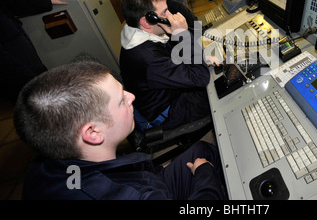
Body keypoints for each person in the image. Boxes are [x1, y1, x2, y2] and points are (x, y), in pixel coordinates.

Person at [14, 60, 226, 200]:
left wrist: (157, 171)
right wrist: (204, 174)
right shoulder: (129, 195)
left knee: (202, 150)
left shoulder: (46, 164)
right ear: (93, 133)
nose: (131, 96)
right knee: (209, 167)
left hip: (146, 179)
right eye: (121, 100)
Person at [120, 0, 216, 131]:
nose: (171, 15)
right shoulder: (146, 57)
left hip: (168, 94)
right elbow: (200, 78)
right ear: (148, 22)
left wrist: (199, 57)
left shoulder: (139, 33)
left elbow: (172, 58)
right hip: (168, 111)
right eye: (165, 12)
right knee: (218, 90)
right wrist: (181, 33)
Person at [0, 0, 68, 103]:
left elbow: (9, 1)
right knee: (32, 91)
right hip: (11, 49)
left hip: (13, 40)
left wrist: (46, 1)